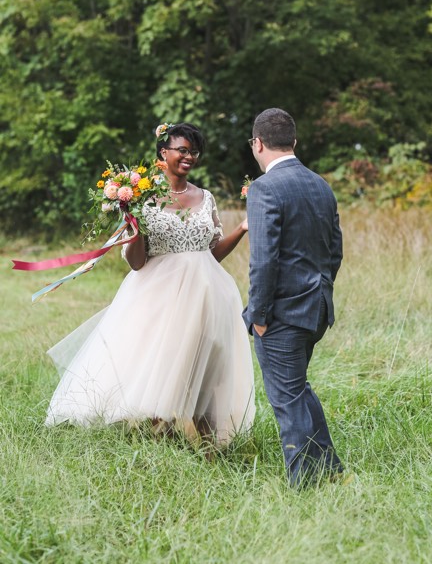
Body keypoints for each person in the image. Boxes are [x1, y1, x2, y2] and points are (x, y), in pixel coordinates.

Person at [46, 123, 256, 445]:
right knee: (164, 365)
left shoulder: (206, 198)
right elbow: (136, 261)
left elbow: (212, 254)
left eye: (194, 152)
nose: (189, 157)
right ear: (163, 153)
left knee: (206, 367)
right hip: (160, 296)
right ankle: (158, 438)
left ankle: (209, 440)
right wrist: (134, 224)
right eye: (182, 150)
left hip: (208, 295)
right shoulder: (144, 198)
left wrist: (241, 229)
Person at [244, 107, 344, 486]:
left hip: (282, 314)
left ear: (257, 143)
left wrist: (260, 315)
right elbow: (335, 250)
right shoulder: (321, 184)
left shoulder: (265, 188)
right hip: (316, 308)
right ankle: (330, 469)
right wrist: (320, 290)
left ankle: (304, 483)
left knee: (286, 400)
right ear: (294, 142)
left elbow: (264, 259)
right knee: (298, 387)